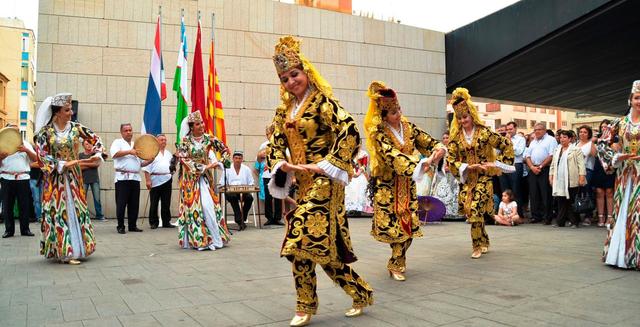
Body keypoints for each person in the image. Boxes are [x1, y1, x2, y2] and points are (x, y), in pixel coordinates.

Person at [267, 36, 373, 326]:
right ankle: (361, 292)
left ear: (306, 72)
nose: (291, 82)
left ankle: (305, 306)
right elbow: (274, 145)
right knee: (323, 251)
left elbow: (350, 131)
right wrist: (280, 163)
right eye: (285, 78)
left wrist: (329, 165)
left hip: (327, 182)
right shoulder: (282, 112)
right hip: (302, 185)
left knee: (299, 238)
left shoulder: (324, 103)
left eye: (295, 74)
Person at [364, 81, 445, 281]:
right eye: (392, 112)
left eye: (399, 109)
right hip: (388, 187)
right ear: (383, 115)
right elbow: (390, 155)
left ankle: (396, 261)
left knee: (408, 228)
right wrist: (419, 165)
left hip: (407, 186)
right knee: (395, 229)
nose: (398, 114)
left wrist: (439, 149)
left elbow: (427, 141)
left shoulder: (408, 127)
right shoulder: (379, 133)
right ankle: (397, 262)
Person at [35, 93, 104, 264]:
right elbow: (41, 154)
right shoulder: (46, 132)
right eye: (67, 110)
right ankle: (65, 251)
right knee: (59, 212)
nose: (71, 112)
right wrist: (59, 164)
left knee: (76, 210)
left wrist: (97, 154)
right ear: (57, 112)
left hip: (74, 177)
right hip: (55, 180)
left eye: (71, 109)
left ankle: (79, 247)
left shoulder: (75, 128)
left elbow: (96, 140)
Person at [446, 88, 514, 259]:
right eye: (460, 118)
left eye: (465, 117)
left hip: (483, 179)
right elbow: (452, 159)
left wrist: (496, 164)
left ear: (472, 115)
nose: (463, 121)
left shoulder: (484, 132)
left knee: (476, 210)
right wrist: (467, 167)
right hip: (467, 180)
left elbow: (505, 144)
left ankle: (476, 246)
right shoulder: (455, 138)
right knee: (472, 213)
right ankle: (483, 240)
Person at [176, 111, 230, 250]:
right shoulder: (185, 141)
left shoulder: (209, 139)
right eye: (197, 124)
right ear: (191, 127)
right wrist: (203, 167)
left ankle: (214, 238)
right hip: (190, 181)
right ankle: (200, 240)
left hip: (205, 179)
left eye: (201, 123)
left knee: (208, 207)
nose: (201, 126)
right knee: (194, 209)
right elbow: (183, 159)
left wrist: (219, 163)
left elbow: (225, 151)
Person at [600, 80, 640, 269]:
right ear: (630, 100)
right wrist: (616, 156)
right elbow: (601, 144)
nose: (639, 101)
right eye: (637, 98)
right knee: (623, 211)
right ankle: (620, 255)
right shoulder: (619, 123)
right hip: (624, 174)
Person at [1, 124, 37, 238]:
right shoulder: (1, 144)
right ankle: (9, 230)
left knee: (24, 205)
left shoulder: (25, 144)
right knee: (7, 206)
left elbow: (36, 159)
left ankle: (25, 229)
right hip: (7, 178)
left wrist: (26, 150)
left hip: (23, 178)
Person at [110, 123, 147, 234]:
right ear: (121, 132)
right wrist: (129, 151)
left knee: (134, 203)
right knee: (121, 203)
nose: (128, 132)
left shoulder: (136, 144)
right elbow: (114, 154)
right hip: (122, 178)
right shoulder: (118, 142)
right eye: (126, 130)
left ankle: (132, 225)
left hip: (135, 178)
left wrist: (151, 159)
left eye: (130, 130)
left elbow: (141, 163)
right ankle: (120, 226)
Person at [549, 129, 586, 228]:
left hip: (571, 179)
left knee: (571, 201)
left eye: (564, 137)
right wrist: (551, 176)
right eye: (560, 137)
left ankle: (574, 222)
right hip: (559, 179)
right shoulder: (557, 149)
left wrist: (582, 177)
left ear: (570, 139)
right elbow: (553, 165)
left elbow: (581, 165)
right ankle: (560, 222)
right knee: (561, 201)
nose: (562, 139)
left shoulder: (576, 149)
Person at [524, 122, 558, 224]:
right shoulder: (533, 141)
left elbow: (552, 155)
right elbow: (527, 156)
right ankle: (535, 216)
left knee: (546, 194)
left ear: (544, 130)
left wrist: (540, 166)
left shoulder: (551, 140)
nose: (536, 132)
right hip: (533, 169)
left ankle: (547, 217)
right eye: (535, 130)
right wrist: (531, 167)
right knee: (534, 194)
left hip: (545, 169)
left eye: (539, 130)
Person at [142, 134, 174, 229]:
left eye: (165, 140)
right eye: (161, 140)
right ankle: (153, 222)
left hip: (167, 179)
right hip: (155, 180)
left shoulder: (168, 153)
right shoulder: (152, 152)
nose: (163, 141)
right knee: (154, 202)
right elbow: (146, 168)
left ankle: (166, 221)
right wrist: (148, 180)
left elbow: (172, 166)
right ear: (156, 141)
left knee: (166, 202)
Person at [431, 131, 462, 220]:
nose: (445, 140)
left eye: (447, 138)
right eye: (443, 138)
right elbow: (435, 162)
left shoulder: (455, 148)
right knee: (440, 191)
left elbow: (460, 161)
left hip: (452, 175)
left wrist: (452, 168)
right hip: (441, 174)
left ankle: (452, 212)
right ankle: (440, 212)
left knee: (452, 192)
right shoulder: (441, 149)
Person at [221, 150, 255, 231]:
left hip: (243, 192)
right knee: (232, 197)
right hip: (230, 192)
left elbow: (251, 182)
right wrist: (226, 188)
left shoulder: (246, 169)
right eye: (236, 158)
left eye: (240, 158)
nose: (238, 160)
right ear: (233, 159)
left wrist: (247, 188)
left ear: (242, 159)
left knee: (250, 198)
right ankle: (239, 220)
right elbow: (222, 183)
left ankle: (242, 218)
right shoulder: (227, 168)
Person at [257, 126, 283, 226]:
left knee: (278, 196)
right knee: (268, 197)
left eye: (270, 133)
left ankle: (277, 218)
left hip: (277, 173)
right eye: (267, 134)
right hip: (266, 174)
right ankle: (269, 218)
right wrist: (260, 156)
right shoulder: (264, 145)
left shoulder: (279, 143)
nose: (269, 136)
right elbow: (258, 160)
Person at [591, 119, 615, 227]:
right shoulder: (597, 139)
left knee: (609, 192)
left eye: (606, 126)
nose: (604, 128)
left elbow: (616, 152)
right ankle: (601, 216)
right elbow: (593, 154)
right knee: (599, 192)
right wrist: (593, 142)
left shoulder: (614, 138)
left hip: (610, 167)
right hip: (599, 167)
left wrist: (610, 142)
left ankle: (610, 217)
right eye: (602, 127)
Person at [500, 122, 526, 217]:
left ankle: (518, 215)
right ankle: (505, 214)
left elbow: (519, 152)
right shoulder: (502, 139)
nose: (509, 131)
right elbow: (498, 152)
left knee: (516, 191)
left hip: (515, 166)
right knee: (505, 191)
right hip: (503, 166)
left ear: (515, 129)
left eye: (511, 129)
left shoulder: (521, 139)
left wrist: (509, 143)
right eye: (507, 129)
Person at [79, 138, 105, 221]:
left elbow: (96, 164)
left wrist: (85, 163)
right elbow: (79, 166)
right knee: (83, 198)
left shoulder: (96, 154)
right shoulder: (80, 155)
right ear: (83, 146)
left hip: (94, 179)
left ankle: (99, 215)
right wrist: (90, 163)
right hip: (84, 179)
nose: (89, 145)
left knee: (97, 198)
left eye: (90, 143)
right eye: (86, 144)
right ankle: (82, 216)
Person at [576, 125, 596, 226]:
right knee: (578, 193)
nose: (582, 133)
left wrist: (592, 143)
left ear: (589, 134)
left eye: (585, 132)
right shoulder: (576, 144)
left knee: (587, 192)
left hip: (587, 170)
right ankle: (578, 213)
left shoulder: (590, 143)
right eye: (581, 132)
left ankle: (589, 216)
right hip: (576, 171)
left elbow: (594, 155)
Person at [345, 150, 370, 214]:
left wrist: (358, 173)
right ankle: (350, 208)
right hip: (350, 173)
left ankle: (359, 208)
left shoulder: (363, 153)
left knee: (360, 189)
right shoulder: (348, 151)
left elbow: (364, 166)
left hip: (360, 174)